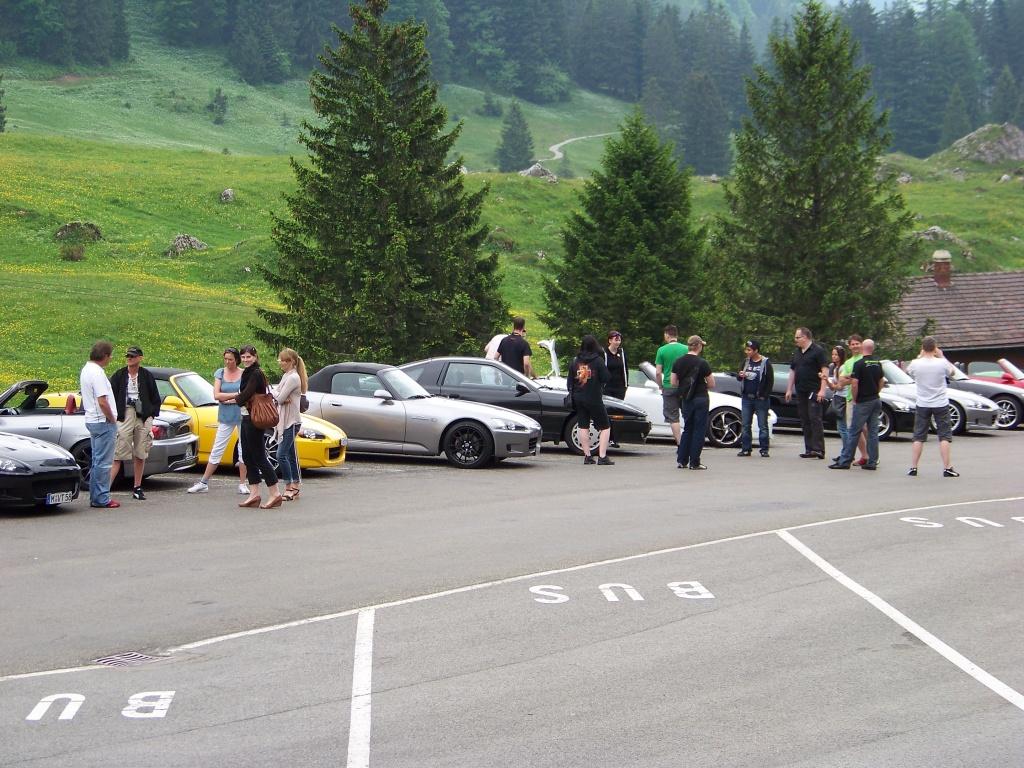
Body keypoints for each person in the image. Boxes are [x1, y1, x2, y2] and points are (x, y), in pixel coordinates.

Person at [187, 348, 250, 494]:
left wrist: (230, 398)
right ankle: (203, 482)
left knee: (243, 449)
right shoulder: (220, 373)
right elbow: (216, 395)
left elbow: (245, 394)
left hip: (242, 415)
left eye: (230, 359)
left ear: (236, 360)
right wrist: (236, 396)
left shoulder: (243, 374)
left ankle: (243, 483)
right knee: (217, 448)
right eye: (226, 359)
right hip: (225, 416)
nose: (227, 362)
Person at [108, 346, 161, 501]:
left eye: (133, 356)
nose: (130, 359)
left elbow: (155, 397)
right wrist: (114, 415)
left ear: (140, 358)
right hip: (125, 414)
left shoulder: (146, 376)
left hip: (143, 415)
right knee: (119, 451)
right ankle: (105, 489)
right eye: (128, 356)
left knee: (141, 451)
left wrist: (151, 414)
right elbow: (110, 395)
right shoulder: (119, 375)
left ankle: (137, 487)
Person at [233, 345, 283, 508]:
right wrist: (238, 399)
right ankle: (254, 494)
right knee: (248, 456)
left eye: (249, 357)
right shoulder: (247, 372)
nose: (246, 360)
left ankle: (275, 493)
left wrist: (234, 399)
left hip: (255, 418)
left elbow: (247, 394)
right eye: (243, 357)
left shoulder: (255, 373)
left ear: (255, 357)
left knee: (259, 456)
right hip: (246, 417)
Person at [906, 336, 959, 477]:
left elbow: (908, 371)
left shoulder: (915, 363)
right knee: (944, 436)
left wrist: (920, 356)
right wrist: (942, 356)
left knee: (918, 436)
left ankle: (913, 467)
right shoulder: (941, 363)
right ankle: (947, 467)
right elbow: (953, 372)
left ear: (922, 348)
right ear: (935, 348)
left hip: (922, 403)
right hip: (940, 403)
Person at [830, 339, 885, 470]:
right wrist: (876, 392)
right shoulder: (878, 363)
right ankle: (872, 462)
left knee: (854, 431)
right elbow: (881, 381)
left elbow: (854, 384)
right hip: (875, 400)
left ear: (862, 348)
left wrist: (855, 399)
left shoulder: (859, 364)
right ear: (872, 349)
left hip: (863, 401)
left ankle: (845, 461)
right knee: (872, 432)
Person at [80, 341, 120, 508]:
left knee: (97, 461)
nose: (110, 359)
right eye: (110, 356)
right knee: (104, 463)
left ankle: (95, 496)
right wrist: (112, 419)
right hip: (102, 421)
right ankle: (101, 497)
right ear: (104, 356)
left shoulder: (86, 369)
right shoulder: (97, 373)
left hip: (92, 420)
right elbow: (103, 401)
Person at [567, 335, 613, 465]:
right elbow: (606, 378)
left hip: (578, 398)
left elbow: (569, 382)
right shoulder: (598, 361)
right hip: (594, 397)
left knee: (583, 425)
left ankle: (587, 456)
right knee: (605, 427)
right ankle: (602, 456)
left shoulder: (575, 361)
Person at [672, 335, 715, 470]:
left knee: (688, 428)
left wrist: (685, 387)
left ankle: (682, 460)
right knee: (699, 430)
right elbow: (712, 383)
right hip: (701, 398)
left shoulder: (678, 362)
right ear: (699, 346)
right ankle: (694, 462)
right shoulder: (702, 363)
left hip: (686, 398)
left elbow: (673, 382)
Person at [785, 327, 828, 459]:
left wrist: (822, 390)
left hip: (814, 390)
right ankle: (809, 448)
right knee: (805, 419)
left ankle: (818, 449)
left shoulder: (818, 351)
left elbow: (825, 370)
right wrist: (789, 389)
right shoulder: (797, 352)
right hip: (801, 390)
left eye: (797, 337)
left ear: (805, 337)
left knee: (815, 418)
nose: (796, 340)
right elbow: (793, 371)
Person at [274, 348, 306, 500]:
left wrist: (279, 396)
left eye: (283, 360)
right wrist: (278, 395)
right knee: (291, 454)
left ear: (291, 362)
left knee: (281, 455)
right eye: (280, 360)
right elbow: (276, 393)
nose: (280, 363)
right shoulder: (286, 376)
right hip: (285, 420)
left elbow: (279, 398)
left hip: (291, 421)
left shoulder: (293, 377)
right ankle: (296, 485)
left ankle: (288, 486)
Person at [735, 339, 773, 457]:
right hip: (747, 397)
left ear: (756, 350)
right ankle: (746, 449)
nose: (747, 352)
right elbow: (739, 377)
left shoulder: (765, 363)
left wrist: (764, 395)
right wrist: (740, 375)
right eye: (746, 350)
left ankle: (764, 449)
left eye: (749, 350)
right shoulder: (746, 362)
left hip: (760, 398)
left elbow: (770, 381)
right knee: (746, 424)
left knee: (763, 425)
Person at [836, 334, 868, 465]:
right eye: (852, 344)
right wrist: (854, 378)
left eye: (857, 343)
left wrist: (852, 378)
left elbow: (868, 379)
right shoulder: (848, 362)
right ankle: (864, 456)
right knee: (854, 429)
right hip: (851, 398)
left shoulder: (866, 359)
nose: (855, 346)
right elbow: (841, 381)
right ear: (849, 346)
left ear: (862, 344)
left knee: (866, 428)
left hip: (865, 398)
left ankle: (871, 455)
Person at [654, 325, 689, 445]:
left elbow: (658, 372)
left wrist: (660, 385)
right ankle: (689, 441)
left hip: (669, 386)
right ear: (676, 335)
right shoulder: (686, 349)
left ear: (667, 335)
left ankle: (680, 443)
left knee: (673, 418)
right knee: (687, 414)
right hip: (684, 387)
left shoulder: (661, 350)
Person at [824, 345, 850, 459]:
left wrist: (833, 385)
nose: (834, 357)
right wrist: (826, 380)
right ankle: (845, 452)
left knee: (842, 427)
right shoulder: (835, 369)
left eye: (836, 355)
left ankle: (847, 453)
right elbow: (833, 387)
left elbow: (839, 387)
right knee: (841, 427)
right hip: (838, 397)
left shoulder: (843, 368)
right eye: (833, 354)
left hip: (843, 398)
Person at [603, 330, 628, 400]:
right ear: (610, 341)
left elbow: (625, 369)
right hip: (607, 388)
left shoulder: (622, 353)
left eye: (619, 340)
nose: (618, 342)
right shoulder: (604, 353)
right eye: (616, 340)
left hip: (619, 388)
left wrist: (625, 385)